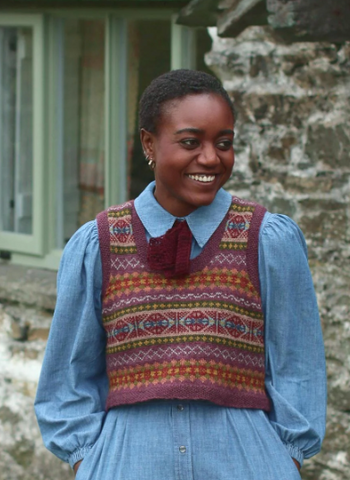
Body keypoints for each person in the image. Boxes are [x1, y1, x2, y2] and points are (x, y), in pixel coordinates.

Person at [35, 69, 326, 480]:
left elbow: (298, 364)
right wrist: (90, 461)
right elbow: (68, 374)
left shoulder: (268, 240)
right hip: (126, 464)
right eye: (191, 142)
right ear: (149, 144)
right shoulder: (97, 244)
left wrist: (283, 460)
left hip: (247, 463)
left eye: (223, 143)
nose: (210, 158)